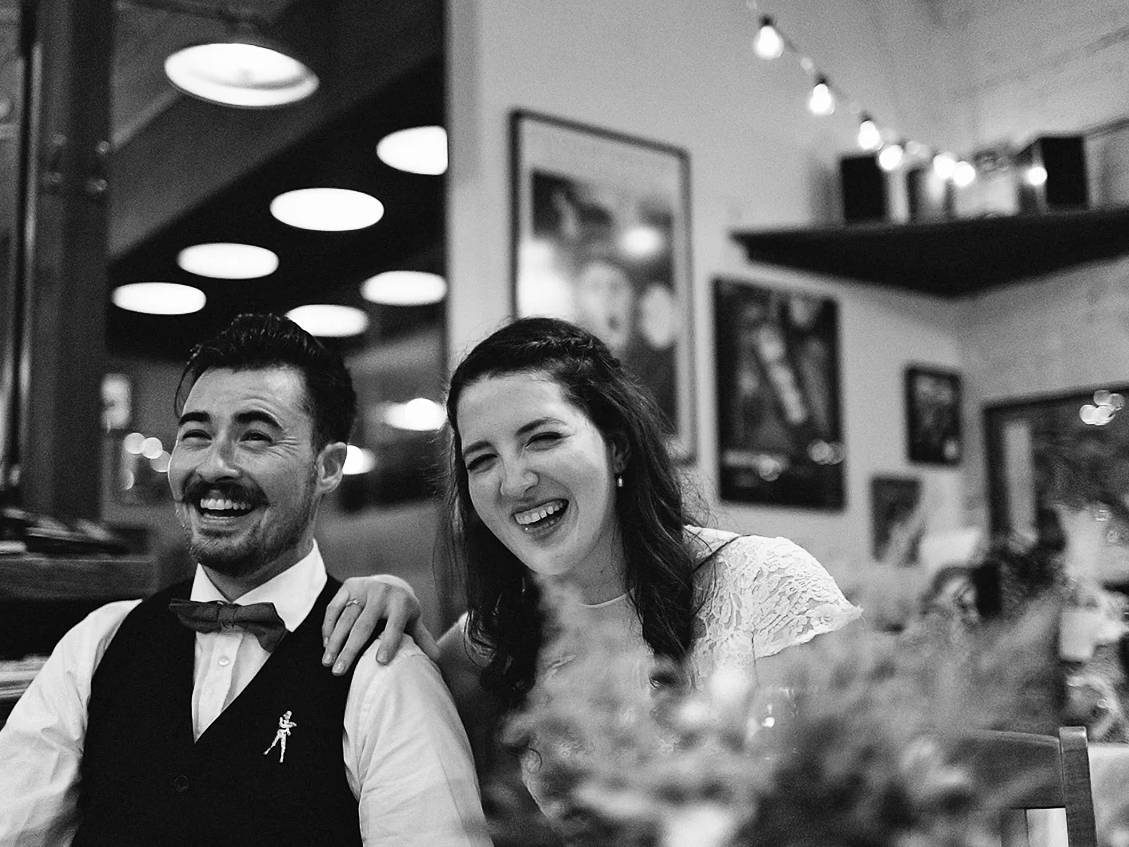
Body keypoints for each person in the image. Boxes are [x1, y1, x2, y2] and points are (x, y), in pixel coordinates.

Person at [0, 313, 490, 847]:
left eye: (256, 437)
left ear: (328, 466)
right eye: (195, 435)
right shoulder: (100, 643)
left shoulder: (384, 668)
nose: (214, 466)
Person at [321, 316, 860, 761]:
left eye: (543, 438)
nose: (514, 483)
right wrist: (391, 599)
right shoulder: (491, 641)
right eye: (482, 460)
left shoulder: (764, 585)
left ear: (617, 447)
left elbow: (857, 799)